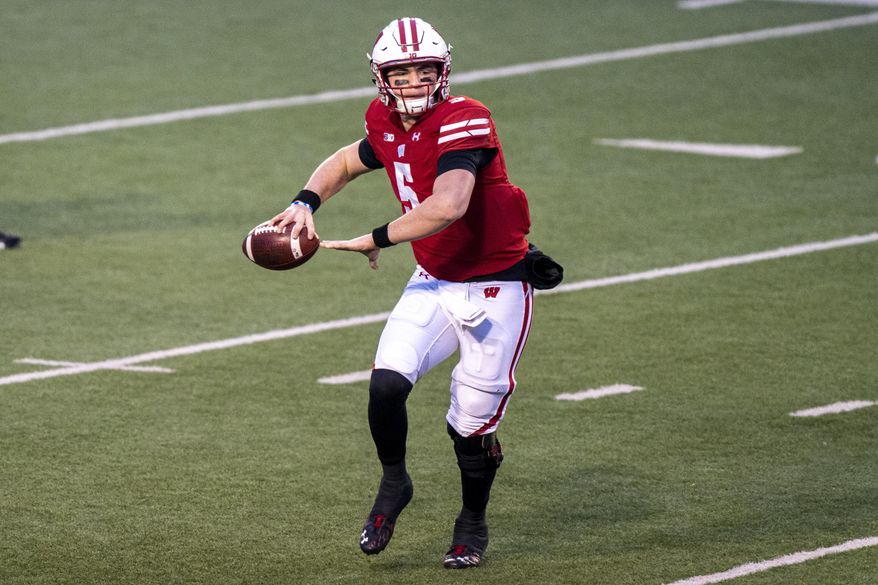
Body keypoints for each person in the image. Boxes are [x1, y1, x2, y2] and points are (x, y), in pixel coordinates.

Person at [269, 17, 561, 569]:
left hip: (495, 286)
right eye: (401, 72)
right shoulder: (384, 118)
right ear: (382, 77)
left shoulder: (464, 119)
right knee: (385, 386)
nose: (413, 81)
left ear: (442, 69)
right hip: (434, 278)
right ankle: (394, 483)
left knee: (469, 428)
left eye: (423, 68)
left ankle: (472, 521)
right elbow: (348, 160)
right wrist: (306, 201)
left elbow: (449, 204)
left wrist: (375, 237)